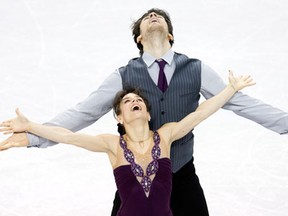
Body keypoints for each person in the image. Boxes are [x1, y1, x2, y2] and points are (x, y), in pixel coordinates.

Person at [0, 8, 287, 216]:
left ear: (170, 34)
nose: (153, 15)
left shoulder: (197, 70)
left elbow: (237, 103)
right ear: (139, 38)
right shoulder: (124, 75)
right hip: (134, 183)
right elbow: (82, 113)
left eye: (159, 15)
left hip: (182, 174)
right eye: (147, 17)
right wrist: (35, 135)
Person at [0, 72, 255, 216]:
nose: (135, 101)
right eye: (127, 101)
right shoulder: (113, 145)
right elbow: (68, 136)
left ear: (148, 113)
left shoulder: (165, 136)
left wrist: (229, 90)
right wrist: (31, 126)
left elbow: (199, 113)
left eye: (139, 100)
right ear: (120, 117)